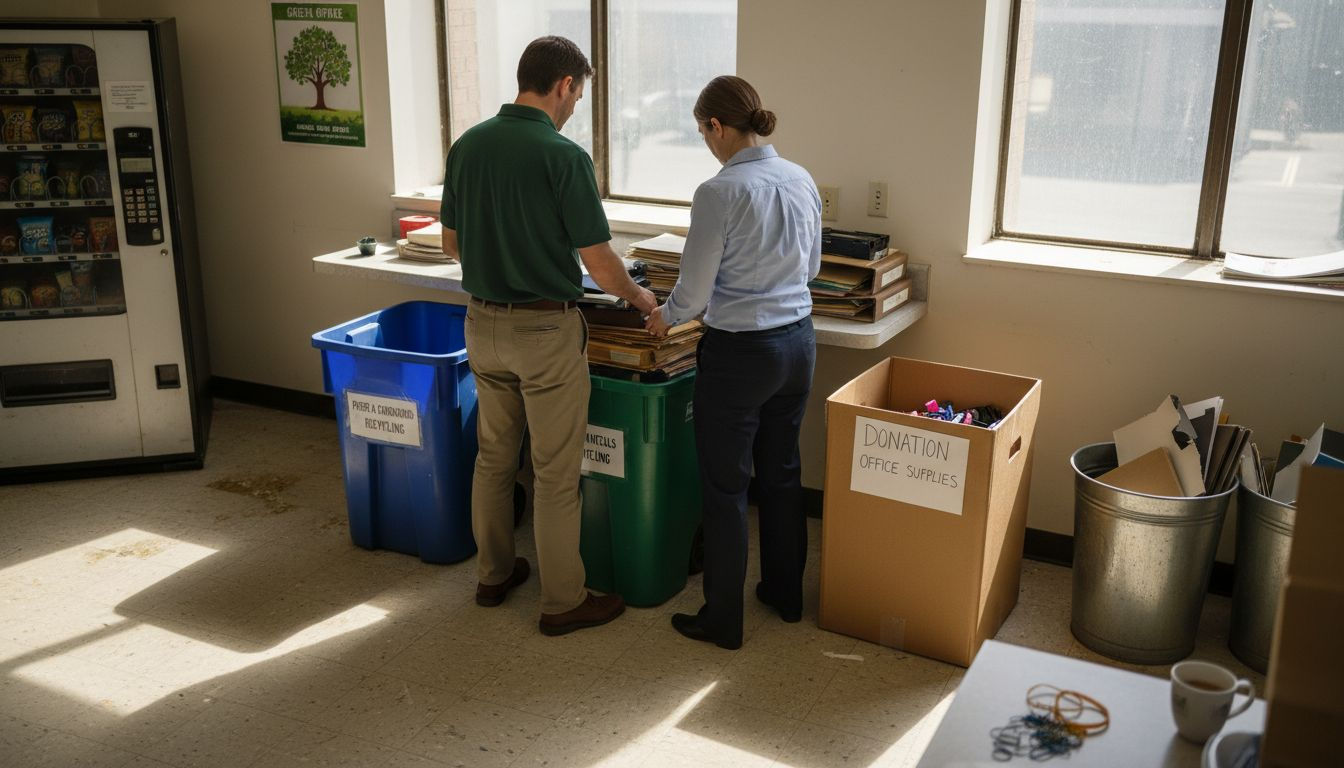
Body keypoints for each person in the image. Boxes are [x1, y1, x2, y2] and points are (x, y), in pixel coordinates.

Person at [441, 36, 657, 636]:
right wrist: (641, 299)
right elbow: (600, 263)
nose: (573, 108)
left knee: (493, 458)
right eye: (578, 96)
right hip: (544, 329)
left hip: (482, 325)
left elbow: (451, 245)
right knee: (557, 472)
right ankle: (564, 601)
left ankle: (493, 574)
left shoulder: (468, 146)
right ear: (564, 84)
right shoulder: (562, 157)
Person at [646, 75, 821, 650]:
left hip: (740, 353)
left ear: (717, 126)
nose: (706, 144)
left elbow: (693, 296)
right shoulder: (799, 177)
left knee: (725, 488)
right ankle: (784, 594)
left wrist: (663, 316)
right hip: (798, 342)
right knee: (783, 473)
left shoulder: (718, 193)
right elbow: (813, 267)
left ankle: (722, 618)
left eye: (703, 132)